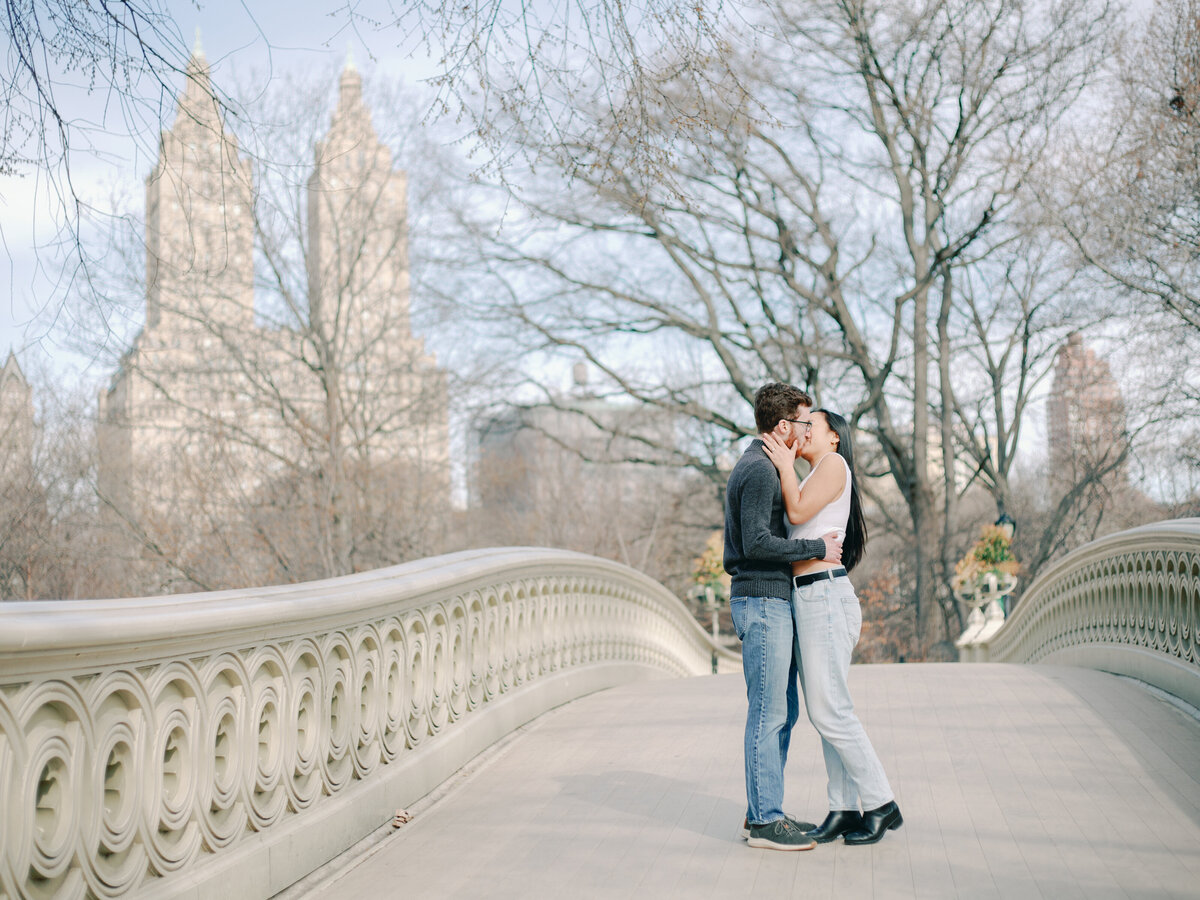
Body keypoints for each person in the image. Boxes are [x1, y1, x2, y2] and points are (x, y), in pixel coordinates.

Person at [761, 408, 902, 846]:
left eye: (809, 426)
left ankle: (880, 803)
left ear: (834, 438)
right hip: (808, 597)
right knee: (828, 710)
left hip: (824, 596)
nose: (801, 432)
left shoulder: (833, 465)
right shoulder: (811, 473)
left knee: (829, 710)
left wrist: (784, 464)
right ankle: (843, 807)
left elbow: (798, 510)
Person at [723, 383, 844, 851]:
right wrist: (815, 547)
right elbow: (755, 543)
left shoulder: (766, 466)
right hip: (760, 600)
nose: (809, 428)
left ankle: (764, 811)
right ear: (783, 426)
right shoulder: (758, 471)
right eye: (804, 421)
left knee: (783, 711)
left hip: (772, 600)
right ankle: (765, 821)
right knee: (768, 713)